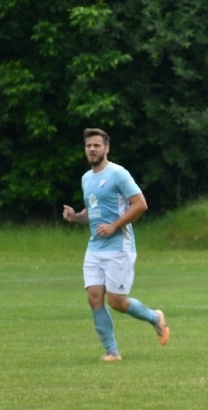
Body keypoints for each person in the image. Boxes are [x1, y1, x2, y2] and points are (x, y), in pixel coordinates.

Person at [62, 128, 169, 360]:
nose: (92, 149)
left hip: (119, 247)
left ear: (106, 148)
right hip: (95, 248)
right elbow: (93, 213)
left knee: (117, 302)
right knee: (94, 297)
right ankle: (112, 351)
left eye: (96, 145)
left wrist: (114, 226)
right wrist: (75, 217)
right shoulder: (86, 178)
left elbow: (140, 204)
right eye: (89, 145)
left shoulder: (118, 174)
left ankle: (155, 317)